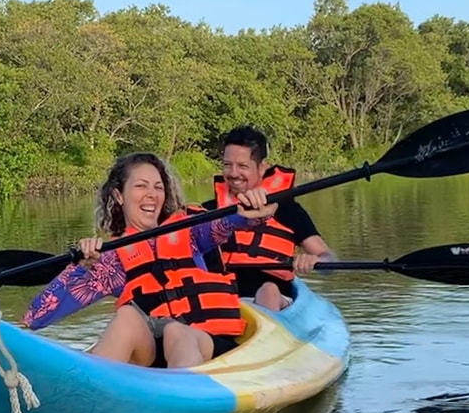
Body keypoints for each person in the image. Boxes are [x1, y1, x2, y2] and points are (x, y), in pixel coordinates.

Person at [21, 152, 278, 369]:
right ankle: (88, 403)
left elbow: (226, 223)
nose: (152, 195)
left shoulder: (191, 230)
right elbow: (36, 316)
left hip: (206, 344)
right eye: (140, 186)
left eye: (158, 187)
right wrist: (80, 269)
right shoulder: (110, 260)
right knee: (127, 318)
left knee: (176, 332)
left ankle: (184, 402)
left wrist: (251, 213)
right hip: (152, 357)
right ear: (119, 196)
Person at [197, 125, 336, 312]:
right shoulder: (208, 211)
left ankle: (268, 333)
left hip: (275, 298)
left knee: (268, 290)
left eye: (243, 166)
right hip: (222, 297)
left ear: (262, 168)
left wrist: (314, 261)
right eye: (227, 164)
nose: (233, 173)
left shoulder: (287, 210)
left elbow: (329, 259)